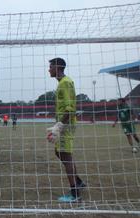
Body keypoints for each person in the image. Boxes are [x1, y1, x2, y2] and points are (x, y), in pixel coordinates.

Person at [46, 57, 85, 202]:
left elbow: (70, 108)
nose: (49, 69)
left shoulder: (66, 83)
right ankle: (79, 182)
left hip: (66, 125)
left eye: (50, 67)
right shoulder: (62, 83)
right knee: (59, 152)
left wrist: (59, 126)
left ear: (57, 67)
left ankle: (75, 193)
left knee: (66, 156)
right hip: (64, 124)